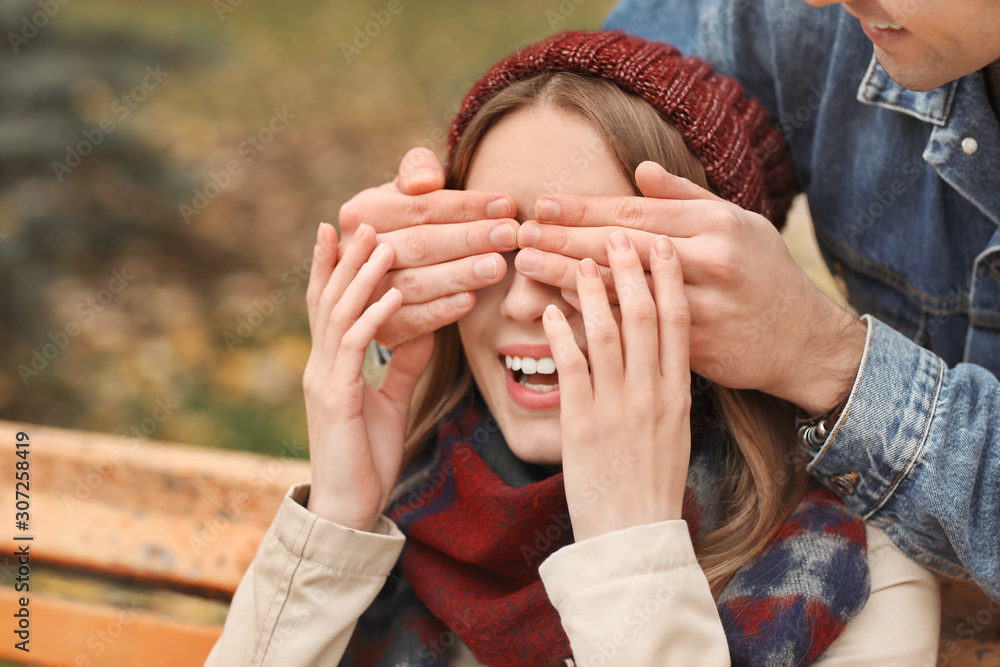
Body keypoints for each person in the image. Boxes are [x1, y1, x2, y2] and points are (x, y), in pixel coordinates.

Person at [205, 32, 939, 666]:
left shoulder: (859, 572)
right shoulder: (401, 512)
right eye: (500, 247)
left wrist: (631, 551)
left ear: (715, 291)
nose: (526, 300)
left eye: (591, 258)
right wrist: (335, 520)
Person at [340, 0, 1000, 601]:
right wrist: (410, 268)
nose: (822, 1)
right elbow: (616, 102)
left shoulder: (848, 582)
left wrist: (824, 357)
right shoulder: (796, 17)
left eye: (595, 263)